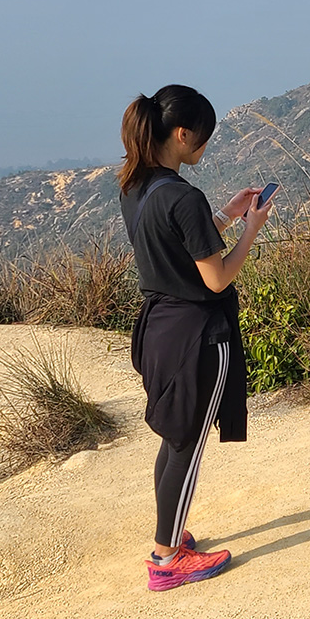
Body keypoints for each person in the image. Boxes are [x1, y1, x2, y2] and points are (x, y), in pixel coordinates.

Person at [118, 84, 272, 591]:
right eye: (203, 139)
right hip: (199, 335)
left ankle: (170, 536)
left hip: (159, 327)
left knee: (174, 436)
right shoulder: (184, 196)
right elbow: (217, 277)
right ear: (182, 135)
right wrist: (252, 228)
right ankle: (165, 559)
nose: (205, 148)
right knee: (187, 444)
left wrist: (226, 214)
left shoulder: (137, 187)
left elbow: (179, 239)